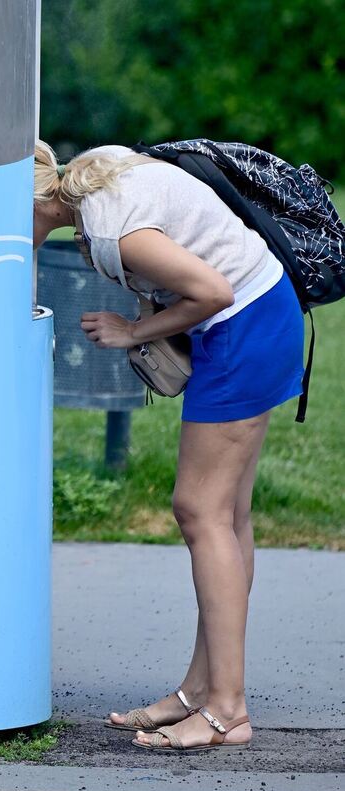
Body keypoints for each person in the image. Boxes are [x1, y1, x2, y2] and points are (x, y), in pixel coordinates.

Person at [33, 141, 304, 753]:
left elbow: (212, 291)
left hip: (243, 329)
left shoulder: (109, 232)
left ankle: (227, 710)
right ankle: (200, 691)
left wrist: (134, 332)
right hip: (264, 315)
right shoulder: (99, 169)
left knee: (198, 510)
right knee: (226, 517)